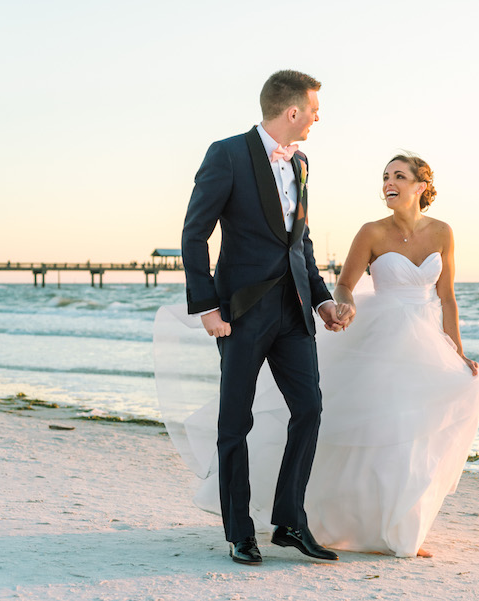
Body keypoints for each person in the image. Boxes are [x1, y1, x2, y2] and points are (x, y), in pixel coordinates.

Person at [158, 153, 479, 558]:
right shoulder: (371, 231)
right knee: (376, 431)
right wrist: (343, 306)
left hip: (426, 343)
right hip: (382, 339)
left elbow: (448, 297)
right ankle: (309, 522)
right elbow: (345, 286)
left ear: (421, 186)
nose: (389, 182)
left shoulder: (443, 232)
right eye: (385, 176)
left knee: (417, 434)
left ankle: (403, 528)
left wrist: (456, 351)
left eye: (399, 176)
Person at [179, 69, 346, 565]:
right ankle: (239, 531)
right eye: (314, 108)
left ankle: (290, 520)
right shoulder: (226, 154)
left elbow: (301, 242)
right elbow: (194, 234)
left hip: (295, 312)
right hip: (241, 313)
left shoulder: (303, 162)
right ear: (292, 111)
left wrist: (322, 300)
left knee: (310, 409)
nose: (319, 117)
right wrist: (207, 307)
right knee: (235, 421)